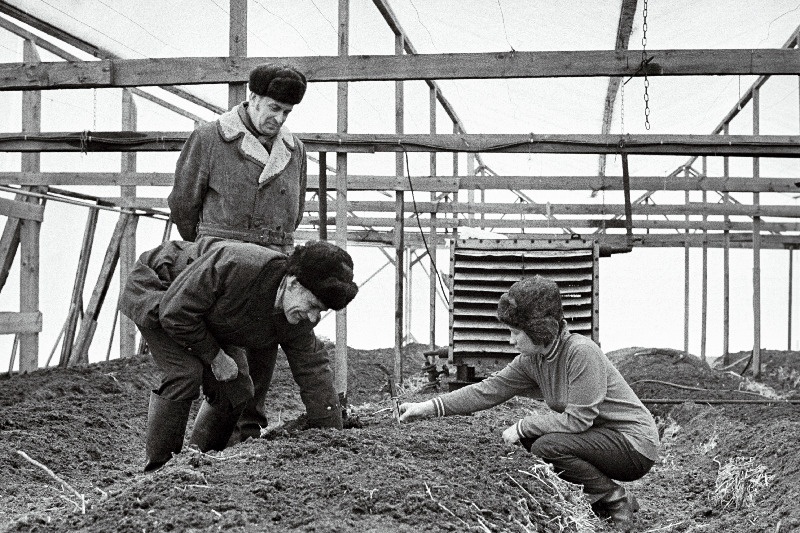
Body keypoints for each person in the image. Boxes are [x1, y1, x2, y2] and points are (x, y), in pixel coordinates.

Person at [398, 275, 659, 532]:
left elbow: (578, 420)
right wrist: (426, 407)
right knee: (533, 444)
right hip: (601, 438)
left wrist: (523, 425)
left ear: (539, 330)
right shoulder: (533, 360)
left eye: (515, 333)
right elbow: (487, 391)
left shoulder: (581, 352)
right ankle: (600, 497)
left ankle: (616, 500)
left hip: (634, 445)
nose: (511, 341)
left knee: (546, 445)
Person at [119, 239, 358, 472]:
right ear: (294, 284)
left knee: (238, 388)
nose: (314, 317)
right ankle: (159, 470)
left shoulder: (295, 317)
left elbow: (313, 370)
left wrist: (330, 436)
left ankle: (200, 460)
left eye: (321, 311)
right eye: (313, 305)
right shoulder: (237, 266)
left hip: (205, 316)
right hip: (162, 291)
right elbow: (175, 313)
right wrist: (216, 357)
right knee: (185, 373)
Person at [167, 62, 311, 444]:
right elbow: (183, 206)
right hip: (222, 261)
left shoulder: (296, 152)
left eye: (287, 112)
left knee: (264, 348)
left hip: (273, 261)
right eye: (273, 109)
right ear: (252, 99)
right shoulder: (210, 138)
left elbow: (293, 214)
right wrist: (210, 250)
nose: (278, 119)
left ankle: (247, 434)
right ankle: (208, 444)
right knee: (228, 361)